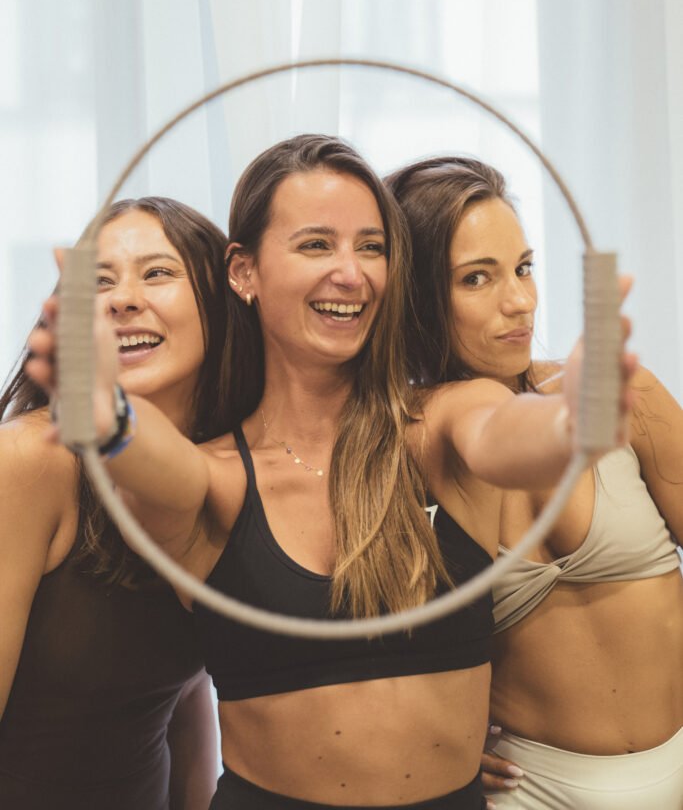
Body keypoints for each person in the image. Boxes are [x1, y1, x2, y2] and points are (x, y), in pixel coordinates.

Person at [27, 135, 635, 810]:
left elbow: (504, 437)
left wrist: (571, 422)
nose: (351, 273)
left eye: (370, 247)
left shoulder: (445, 421)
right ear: (243, 271)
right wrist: (109, 416)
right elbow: (161, 465)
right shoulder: (218, 475)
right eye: (316, 245)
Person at [387, 155, 683, 809]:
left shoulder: (616, 395)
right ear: (413, 299)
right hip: (530, 790)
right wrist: (441, 735)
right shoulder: (397, 447)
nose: (519, 300)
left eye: (522, 267)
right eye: (476, 278)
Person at [0, 196, 228, 810]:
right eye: (98, 282)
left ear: (221, 302)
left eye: (157, 273)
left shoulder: (225, 467)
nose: (122, 299)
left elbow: (181, 690)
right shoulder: (29, 460)